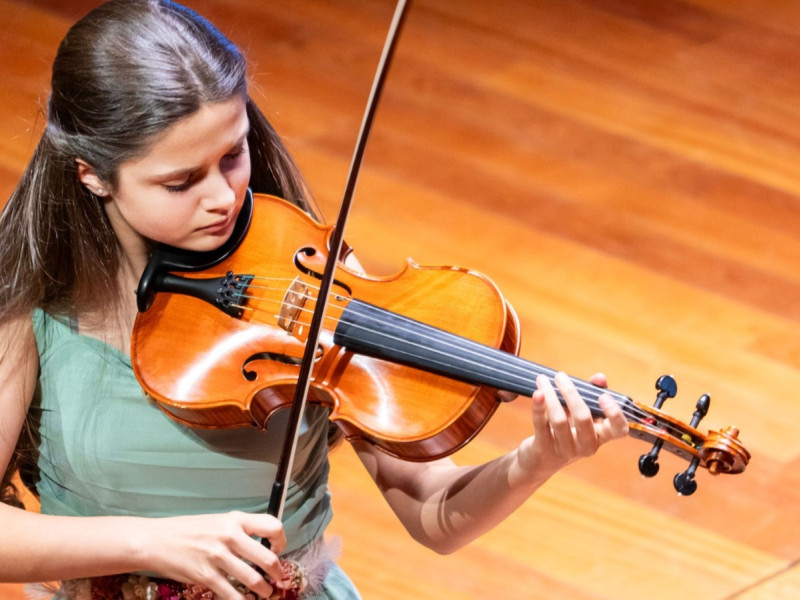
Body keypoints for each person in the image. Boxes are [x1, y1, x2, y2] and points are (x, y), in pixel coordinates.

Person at [0, 1, 629, 599]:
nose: (222, 196)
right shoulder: (31, 303)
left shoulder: (312, 277)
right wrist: (152, 541)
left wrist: (537, 459)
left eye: (233, 155)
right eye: (181, 181)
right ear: (92, 174)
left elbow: (437, 516)